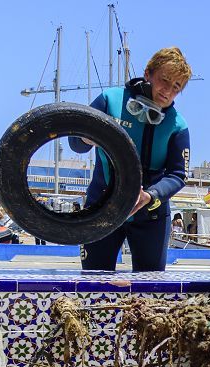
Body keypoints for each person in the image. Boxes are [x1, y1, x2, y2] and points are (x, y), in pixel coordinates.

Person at [69, 47, 192, 272]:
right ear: (148, 73)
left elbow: (178, 175)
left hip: (150, 216)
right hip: (101, 208)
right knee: (93, 284)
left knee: (151, 293)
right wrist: (88, 138)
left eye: (176, 87)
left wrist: (151, 195)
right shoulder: (110, 100)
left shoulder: (177, 125)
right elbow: (75, 144)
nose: (167, 91)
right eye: (164, 80)